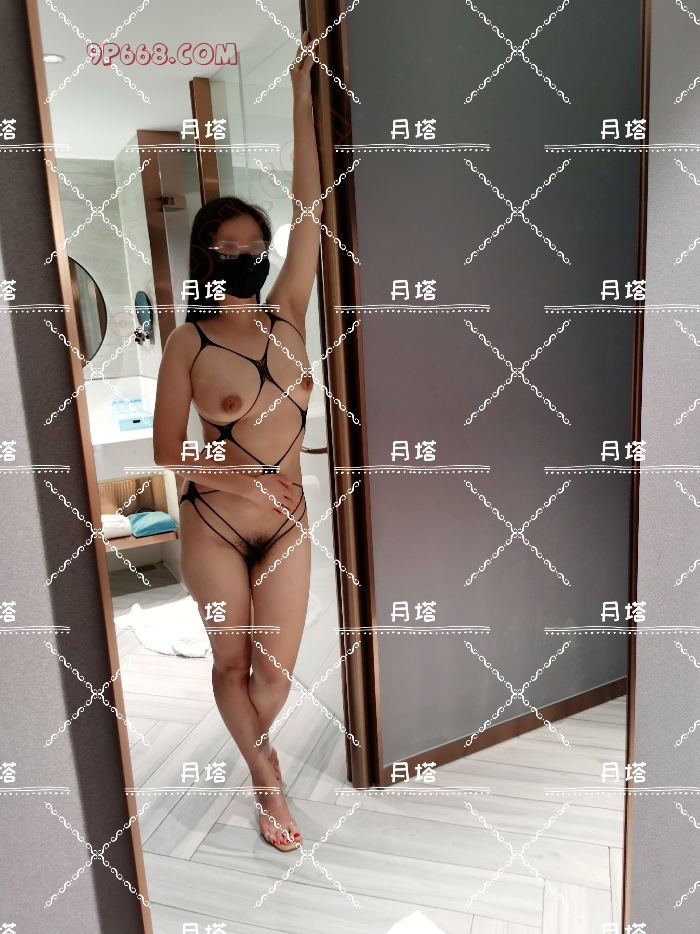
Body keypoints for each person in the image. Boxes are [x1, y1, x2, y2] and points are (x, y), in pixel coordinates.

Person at [153, 35, 321, 851]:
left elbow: (312, 208)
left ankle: (260, 755)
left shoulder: (290, 312)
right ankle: (268, 786)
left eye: (256, 246)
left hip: (288, 526)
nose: (246, 257)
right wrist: (249, 483)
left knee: (274, 678)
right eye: (230, 249)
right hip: (215, 524)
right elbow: (167, 449)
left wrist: (301, 99)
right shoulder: (187, 342)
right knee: (230, 666)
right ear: (206, 256)